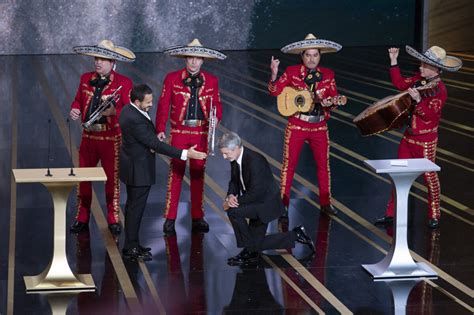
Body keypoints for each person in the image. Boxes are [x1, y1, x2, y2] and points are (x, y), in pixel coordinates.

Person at [374, 46, 462, 229]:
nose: (421, 68)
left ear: (436, 70)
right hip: (408, 138)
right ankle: (392, 213)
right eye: (421, 64)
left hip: (425, 141)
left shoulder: (439, 90)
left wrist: (418, 101)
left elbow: (430, 115)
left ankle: (434, 213)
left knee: (430, 178)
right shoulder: (418, 81)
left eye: (425, 65)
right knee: (398, 175)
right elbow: (399, 83)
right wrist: (393, 61)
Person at [119, 84, 207, 260]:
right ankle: (130, 248)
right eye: (148, 102)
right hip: (139, 170)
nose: (151, 104)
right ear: (137, 101)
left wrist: (153, 136)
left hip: (135, 166)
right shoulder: (133, 118)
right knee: (135, 209)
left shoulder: (129, 110)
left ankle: (133, 244)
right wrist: (185, 153)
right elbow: (155, 145)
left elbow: (149, 138)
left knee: (133, 208)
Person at [156, 38, 226, 235]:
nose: (194, 62)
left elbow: (217, 105)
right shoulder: (171, 78)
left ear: (203, 60)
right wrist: (160, 128)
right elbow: (163, 105)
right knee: (176, 175)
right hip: (179, 132)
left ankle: (197, 216)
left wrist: (216, 118)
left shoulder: (212, 81)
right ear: (185, 59)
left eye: (198, 58)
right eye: (190, 58)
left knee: (198, 175)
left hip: (201, 133)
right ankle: (170, 218)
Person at [268, 33, 343, 217]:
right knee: (289, 166)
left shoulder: (328, 75)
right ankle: (283, 204)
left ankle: (326, 203)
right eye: (307, 55)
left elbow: (334, 98)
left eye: (315, 55)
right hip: (297, 125)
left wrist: (331, 102)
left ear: (320, 56)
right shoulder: (292, 72)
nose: (311, 59)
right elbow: (275, 92)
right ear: (302, 56)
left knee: (323, 166)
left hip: (319, 127)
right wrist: (274, 74)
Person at [219, 132, 315, 266]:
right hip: (255, 201)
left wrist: (234, 202)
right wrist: (230, 196)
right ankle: (294, 235)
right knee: (256, 243)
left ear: (235, 148)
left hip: (265, 204)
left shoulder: (255, 161)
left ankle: (249, 248)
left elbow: (257, 193)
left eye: (226, 153)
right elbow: (234, 181)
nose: (224, 157)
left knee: (234, 212)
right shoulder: (235, 158)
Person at [69, 40, 135, 235]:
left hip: (111, 139)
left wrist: (114, 111)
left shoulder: (124, 83)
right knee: (83, 179)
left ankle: (113, 218)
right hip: (88, 137)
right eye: (97, 58)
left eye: (103, 59)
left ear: (113, 61)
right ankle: (82, 218)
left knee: (112, 181)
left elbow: (129, 112)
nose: (98, 62)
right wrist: (75, 108)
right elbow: (78, 100)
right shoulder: (85, 78)